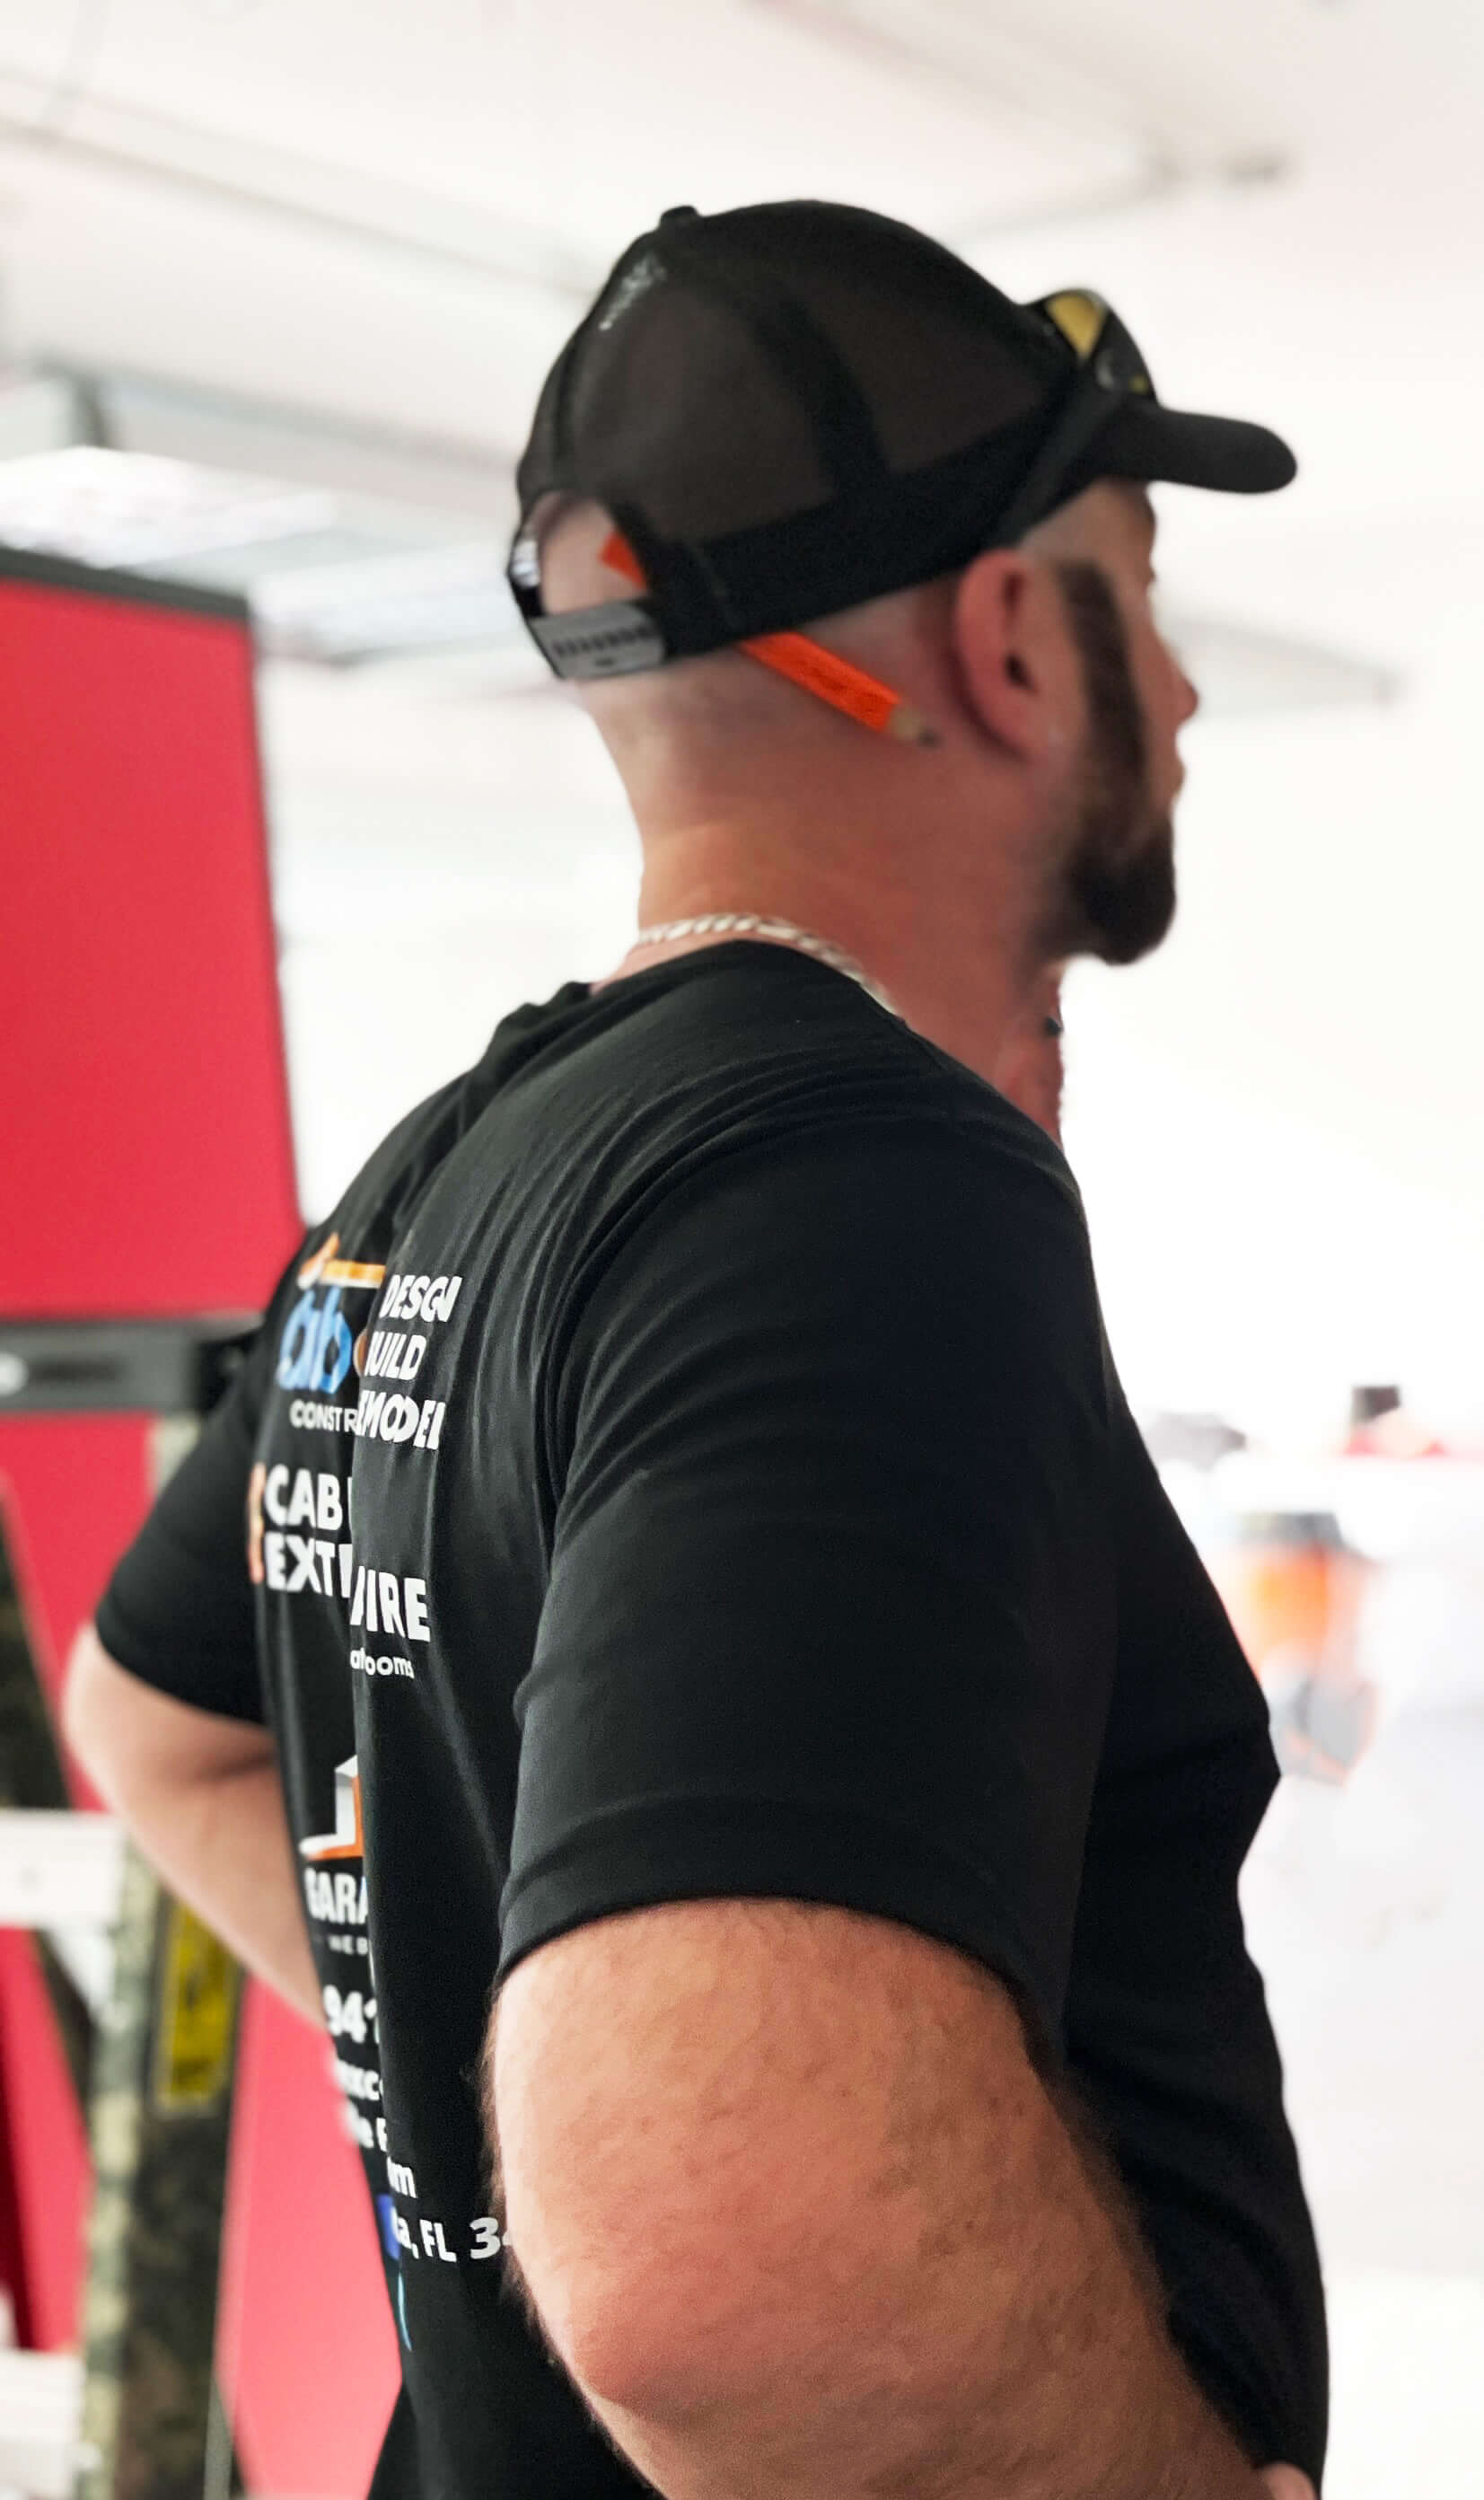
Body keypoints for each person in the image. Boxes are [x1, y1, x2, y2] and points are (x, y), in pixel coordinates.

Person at [60, 201, 1325, 2499]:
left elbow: (150, 1725)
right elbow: (725, 2262)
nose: (1195, 685)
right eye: (1144, 594)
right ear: (1015, 642)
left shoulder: (439, 1171)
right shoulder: (862, 1189)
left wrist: (517, 2103)